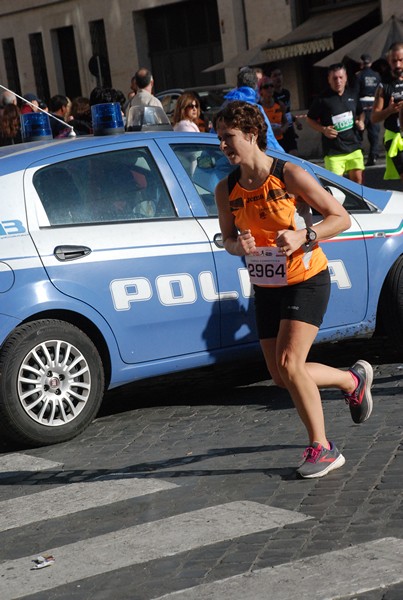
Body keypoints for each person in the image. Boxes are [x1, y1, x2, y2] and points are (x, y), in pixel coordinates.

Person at [213, 100, 373, 478]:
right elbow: (227, 238)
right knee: (281, 374)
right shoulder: (226, 189)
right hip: (267, 285)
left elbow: (341, 218)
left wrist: (305, 234)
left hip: (307, 279)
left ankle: (323, 447)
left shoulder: (289, 175)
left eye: (228, 137)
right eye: (219, 138)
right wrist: (240, 246)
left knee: (290, 363)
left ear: (251, 135)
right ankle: (351, 380)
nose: (222, 145)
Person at [307, 63, 365, 184]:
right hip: (334, 151)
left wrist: (361, 122)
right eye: (334, 78)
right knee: (338, 187)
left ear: (346, 77)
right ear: (329, 79)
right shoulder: (322, 99)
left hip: (354, 147)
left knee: (358, 182)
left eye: (341, 77)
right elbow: (309, 119)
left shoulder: (352, 94)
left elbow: (361, 112)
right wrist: (324, 130)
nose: (338, 81)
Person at [223, 67, 283, 152]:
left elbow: (213, 137)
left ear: (238, 84)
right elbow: (268, 139)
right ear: (255, 86)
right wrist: (283, 158)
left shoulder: (225, 106)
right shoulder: (255, 109)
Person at [371, 42, 403, 183]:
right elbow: (374, 118)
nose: (397, 65)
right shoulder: (384, 86)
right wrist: (389, 110)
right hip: (395, 137)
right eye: (394, 61)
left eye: (401, 60)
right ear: (388, 61)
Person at [354, 53, 382, 166]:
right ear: (370, 63)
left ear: (362, 63)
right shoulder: (377, 75)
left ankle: (359, 156)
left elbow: (355, 92)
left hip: (362, 106)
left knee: (358, 133)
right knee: (374, 133)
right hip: (374, 105)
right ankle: (373, 155)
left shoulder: (359, 76)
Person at [269, 66, 302, 155]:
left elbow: (287, 112)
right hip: (278, 130)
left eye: (280, 75)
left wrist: (296, 120)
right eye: (275, 76)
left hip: (289, 128)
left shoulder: (286, 93)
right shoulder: (271, 97)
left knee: (294, 154)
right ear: (270, 79)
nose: (278, 78)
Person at [259, 76, 288, 142]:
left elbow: (286, 122)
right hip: (266, 142)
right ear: (261, 91)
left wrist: (282, 130)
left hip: (280, 141)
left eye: (271, 86)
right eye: (266, 86)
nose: (269, 88)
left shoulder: (280, 104)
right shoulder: (258, 107)